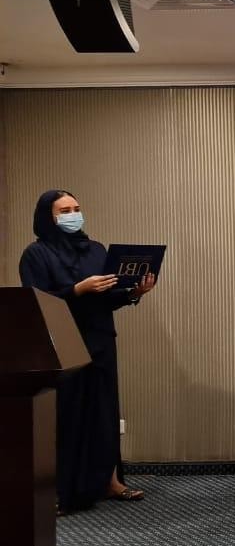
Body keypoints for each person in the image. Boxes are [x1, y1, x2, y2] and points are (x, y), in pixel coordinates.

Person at [19, 189, 157, 513]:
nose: (73, 215)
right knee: (68, 414)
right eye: (64, 210)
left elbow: (105, 298)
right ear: (48, 217)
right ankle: (61, 491)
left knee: (104, 411)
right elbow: (35, 301)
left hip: (100, 338)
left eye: (76, 208)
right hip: (61, 344)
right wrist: (77, 290)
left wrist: (133, 293)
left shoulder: (95, 249)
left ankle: (110, 481)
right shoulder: (36, 254)